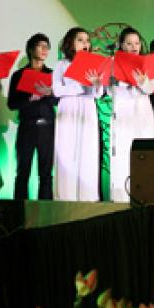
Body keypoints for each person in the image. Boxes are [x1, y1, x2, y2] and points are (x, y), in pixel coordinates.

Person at [52, 26, 103, 201]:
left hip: (87, 108)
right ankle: (65, 197)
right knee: (67, 152)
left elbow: (98, 93)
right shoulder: (61, 64)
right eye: (80, 40)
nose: (85, 43)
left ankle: (87, 198)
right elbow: (57, 90)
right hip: (68, 108)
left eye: (87, 40)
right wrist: (79, 87)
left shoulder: (94, 63)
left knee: (87, 152)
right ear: (71, 43)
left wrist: (96, 83)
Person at [109, 26, 154, 203]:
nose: (134, 46)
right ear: (122, 45)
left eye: (136, 43)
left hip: (143, 113)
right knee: (122, 154)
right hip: (122, 113)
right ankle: (121, 199)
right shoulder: (113, 63)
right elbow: (109, 91)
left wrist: (142, 82)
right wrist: (121, 83)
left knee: (142, 154)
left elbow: (150, 88)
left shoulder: (147, 63)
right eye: (129, 43)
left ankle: (143, 197)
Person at [7, 33, 57, 200]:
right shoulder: (19, 75)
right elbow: (12, 104)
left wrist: (48, 93)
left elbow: (58, 100)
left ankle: (46, 210)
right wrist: (30, 99)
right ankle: (19, 210)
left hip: (47, 127)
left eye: (47, 47)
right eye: (40, 46)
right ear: (30, 49)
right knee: (23, 172)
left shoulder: (52, 74)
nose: (45, 50)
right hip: (27, 127)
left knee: (46, 173)